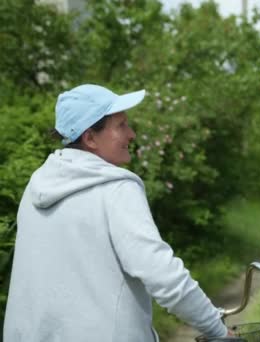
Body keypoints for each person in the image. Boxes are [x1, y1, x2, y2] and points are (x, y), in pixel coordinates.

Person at [3, 84, 231, 341]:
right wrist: (217, 329)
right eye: (121, 125)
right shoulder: (116, 188)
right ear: (90, 138)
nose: (132, 134)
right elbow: (162, 274)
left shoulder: (35, 188)